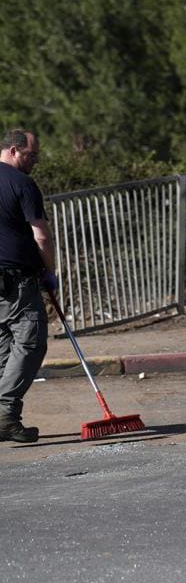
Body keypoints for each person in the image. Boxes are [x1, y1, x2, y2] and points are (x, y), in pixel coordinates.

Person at [0, 129, 58, 443]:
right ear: (12, 150)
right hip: (15, 279)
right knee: (31, 342)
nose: (34, 160)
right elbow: (42, 236)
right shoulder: (22, 184)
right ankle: (6, 414)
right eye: (31, 155)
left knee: (5, 347)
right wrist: (49, 271)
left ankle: (4, 416)